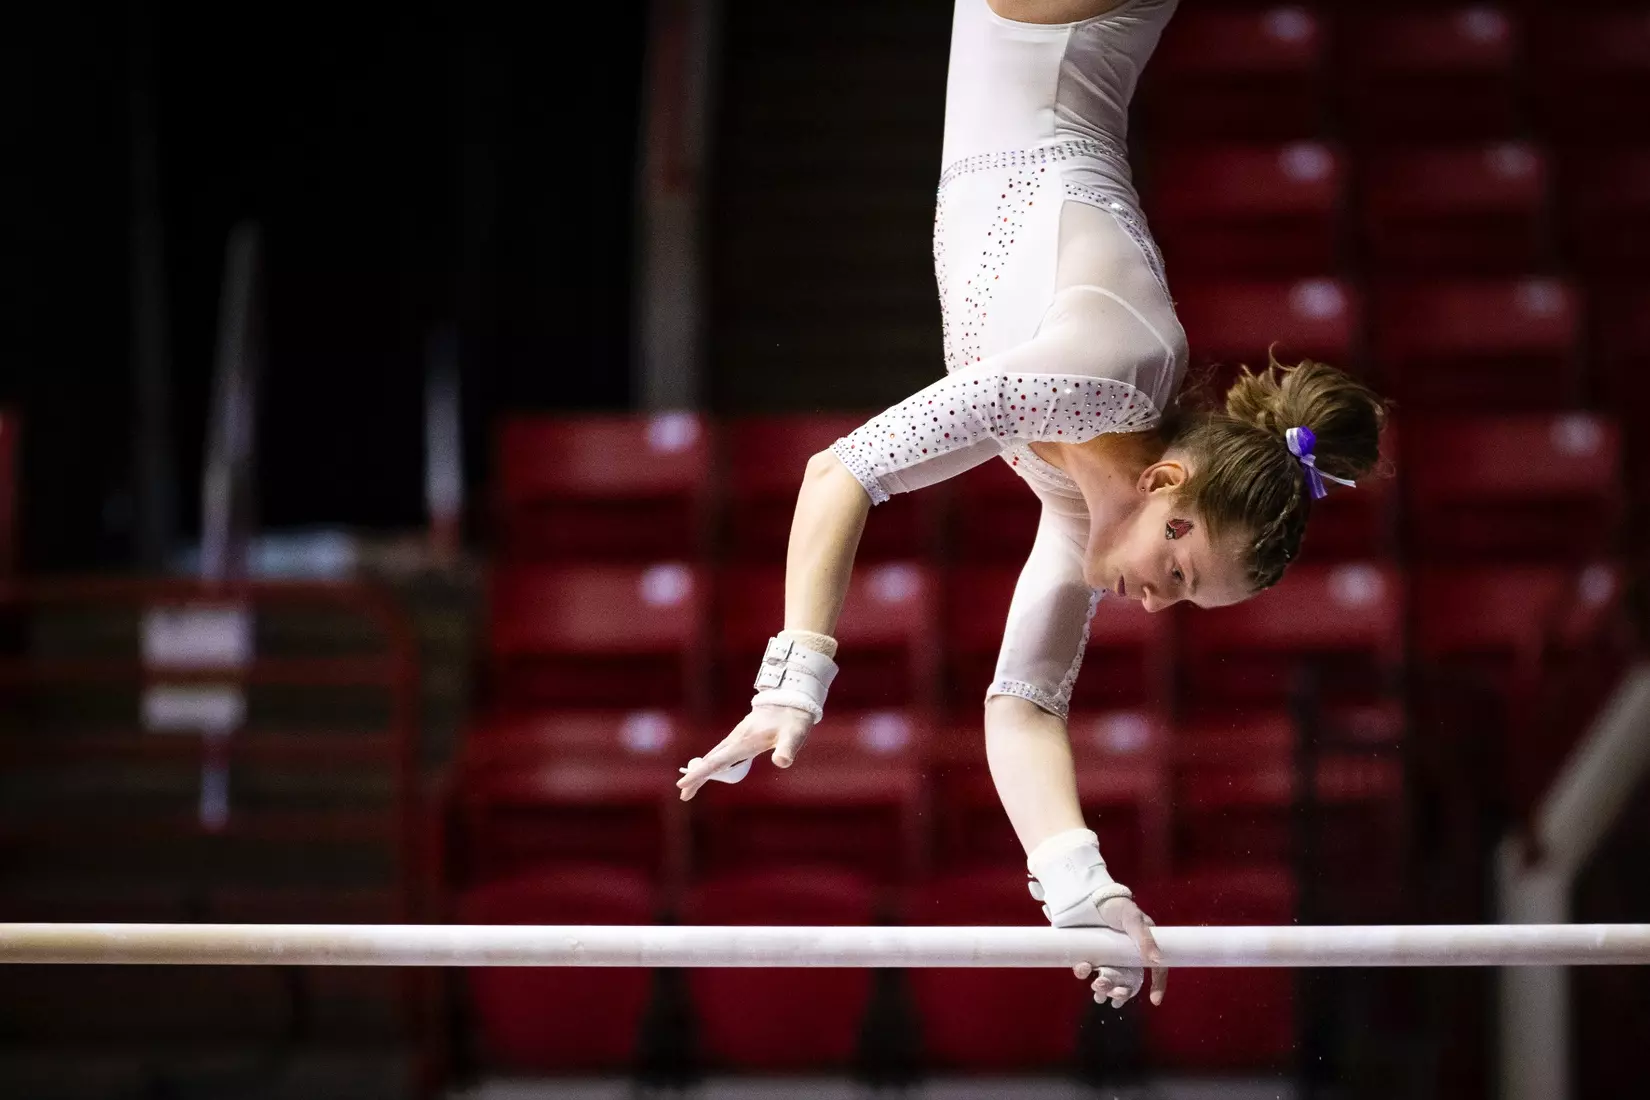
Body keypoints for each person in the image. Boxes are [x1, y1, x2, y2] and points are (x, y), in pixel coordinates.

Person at [677, 0, 1387, 1012]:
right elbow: (841, 470)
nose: (1152, 603)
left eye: (1180, 602)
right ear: (1168, 490)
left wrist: (1081, 888)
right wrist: (794, 680)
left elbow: (1023, 703)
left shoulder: (1071, 497)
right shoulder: (1100, 373)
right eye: (1178, 576)